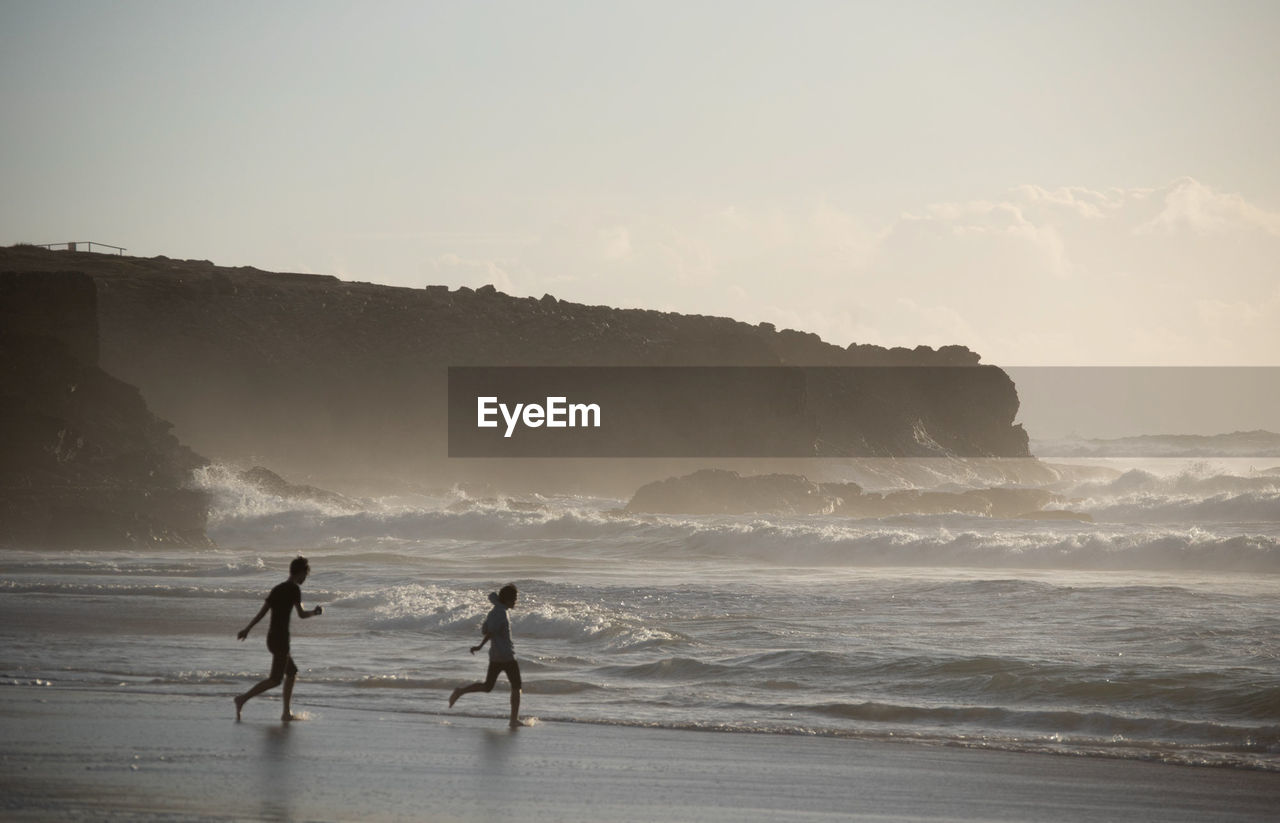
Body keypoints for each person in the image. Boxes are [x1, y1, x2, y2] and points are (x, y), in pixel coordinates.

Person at [234, 556, 322, 721]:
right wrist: (315, 613)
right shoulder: (294, 589)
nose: (305, 578)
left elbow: (263, 612)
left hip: (272, 638)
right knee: (275, 679)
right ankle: (242, 699)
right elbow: (301, 615)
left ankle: (286, 712)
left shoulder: (277, 588)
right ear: (301, 572)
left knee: (292, 672)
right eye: (305, 575)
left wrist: (247, 629)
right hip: (281, 639)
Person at [449, 583, 523, 727]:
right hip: (507, 656)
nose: (515, 602)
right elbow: (490, 632)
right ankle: (513, 720)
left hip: (496, 656)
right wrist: (479, 646)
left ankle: (460, 691)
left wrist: (481, 645)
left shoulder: (496, 610)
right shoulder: (500, 612)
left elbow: (485, 629)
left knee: (488, 686)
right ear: (507, 600)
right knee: (516, 686)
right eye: (514, 599)